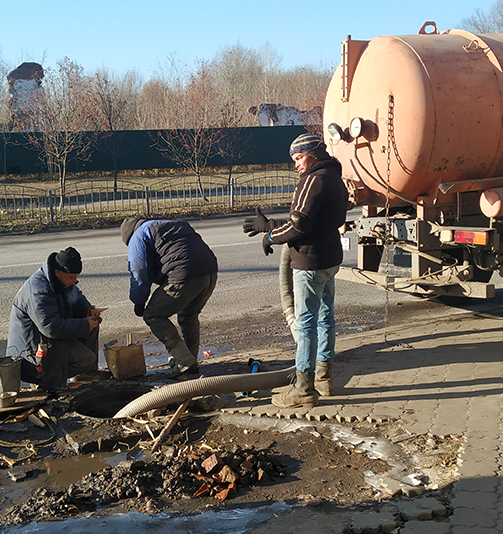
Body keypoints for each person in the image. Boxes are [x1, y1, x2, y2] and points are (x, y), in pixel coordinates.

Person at [242, 133, 349, 407]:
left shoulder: (311, 180)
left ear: (313, 155)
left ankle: (303, 389)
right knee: (326, 319)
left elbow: (300, 225)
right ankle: (324, 379)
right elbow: (319, 219)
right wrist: (271, 225)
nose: (296, 164)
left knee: (307, 324)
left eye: (299, 158)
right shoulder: (335, 178)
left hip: (309, 262)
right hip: (329, 259)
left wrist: (271, 237)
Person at [120, 217, 218, 378]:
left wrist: (139, 301)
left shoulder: (137, 236)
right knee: (189, 315)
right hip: (210, 271)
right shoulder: (170, 224)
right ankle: (190, 359)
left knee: (153, 315)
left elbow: (139, 272)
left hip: (184, 273)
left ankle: (185, 361)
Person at [6, 247, 105, 389]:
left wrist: (87, 310)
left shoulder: (61, 280)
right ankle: (45, 380)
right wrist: (84, 325)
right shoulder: (39, 291)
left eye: (76, 277)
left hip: (48, 338)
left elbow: (76, 298)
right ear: (58, 272)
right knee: (86, 359)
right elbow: (50, 327)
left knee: (92, 325)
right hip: (33, 352)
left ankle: (85, 375)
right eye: (72, 277)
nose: (75, 281)